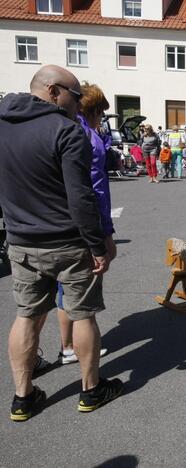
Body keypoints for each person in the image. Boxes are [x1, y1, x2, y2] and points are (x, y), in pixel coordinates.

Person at [0, 65, 122, 421]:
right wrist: (98, 245)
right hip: (67, 242)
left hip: (21, 240)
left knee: (27, 315)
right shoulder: (66, 131)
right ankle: (91, 389)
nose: (79, 102)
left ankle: (23, 398)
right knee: (83, 314)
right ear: (53, 91)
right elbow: (81, 197)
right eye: (75, 94)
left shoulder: (3, 125)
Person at [55, 82, 114, 366]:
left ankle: (66, 346)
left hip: (54, 223)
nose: (102, 117)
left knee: (62, 292)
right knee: (83, 299)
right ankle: (88, 373)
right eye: (101, 112)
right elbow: (95, 189)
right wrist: (105, 233)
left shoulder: (61, 128)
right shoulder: (86, 136)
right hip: (84, 224)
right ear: (92, 109)